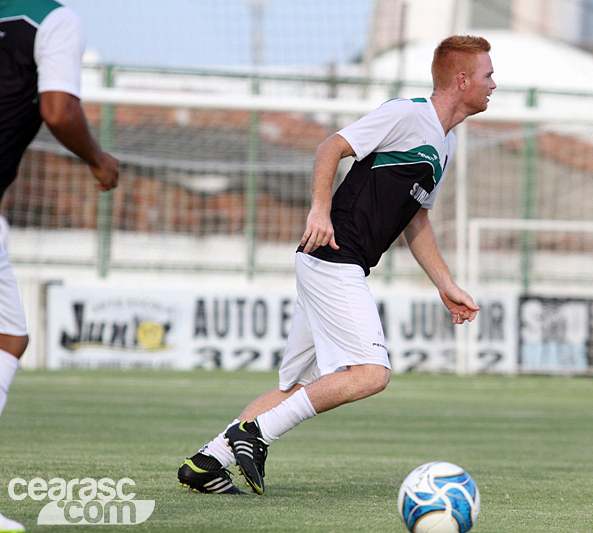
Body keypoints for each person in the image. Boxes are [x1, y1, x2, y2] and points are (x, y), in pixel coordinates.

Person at [178, 35, 495, 495]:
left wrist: (445, 284)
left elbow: (415, 218)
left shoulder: (443, 144)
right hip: (334, 257)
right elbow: (330, 147)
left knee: (298, 388)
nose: (493, 84)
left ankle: (207, 462)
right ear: (462, 80)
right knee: (371, 373)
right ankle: (255, 435)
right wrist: (319, 210)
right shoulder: (407, 114)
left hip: (332, 263)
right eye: (487, 75)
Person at [0, 1, 120, 529]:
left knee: (7, 335)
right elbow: (58, 109)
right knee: (5, 338)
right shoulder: (54, 21)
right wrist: (99, 159)